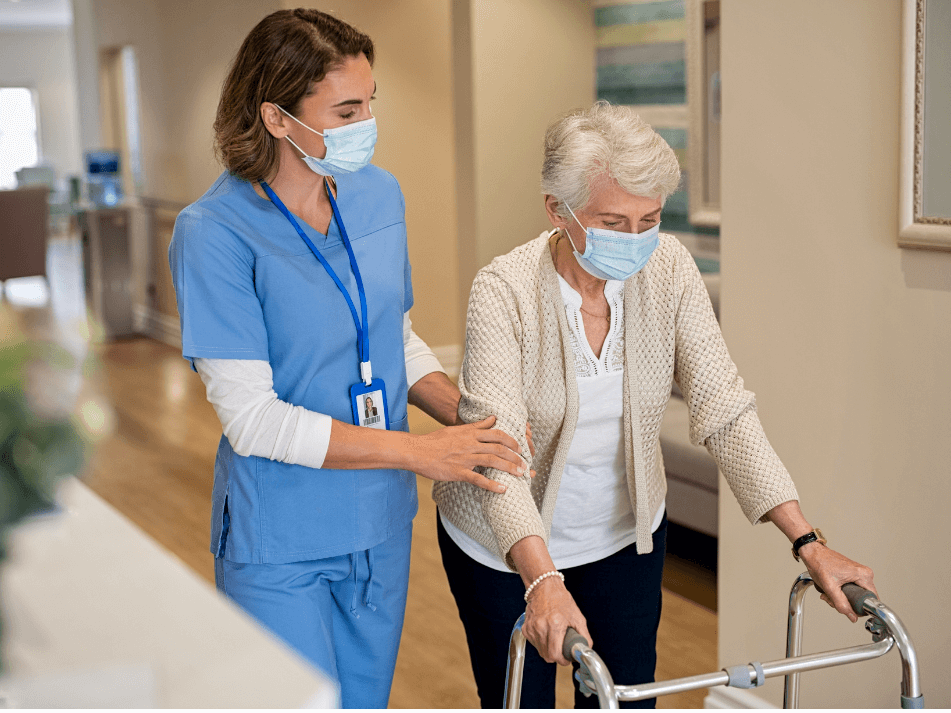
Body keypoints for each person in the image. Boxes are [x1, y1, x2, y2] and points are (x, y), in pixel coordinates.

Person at [432, 102, 877, 709]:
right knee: (521, 700)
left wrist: (808, 541)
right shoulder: (503, 290)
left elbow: (723, 405)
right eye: (613, 222)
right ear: (556, 210)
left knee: (628, 697)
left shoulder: (668, 268)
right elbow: (496, 455)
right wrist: (541, 578)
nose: (636, 241)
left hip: (621, 538)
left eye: (650, 219)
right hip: (502, 549)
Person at [168, 9, 529, 708]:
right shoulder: (213, 233)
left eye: (370, 102)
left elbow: (392, 336)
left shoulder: (377, 195)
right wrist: (422, 452)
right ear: (276, 117)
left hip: (377, 526)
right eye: (346, 108)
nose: (367, 122)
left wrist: (471, 419)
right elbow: (253, 420)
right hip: (280, 539)